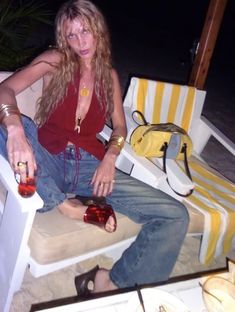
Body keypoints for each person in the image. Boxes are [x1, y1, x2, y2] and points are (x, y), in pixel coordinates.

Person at [0, 0, 189, 295]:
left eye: (85, 31)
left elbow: (121, 128)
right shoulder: (56, 60)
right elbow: (5, 89)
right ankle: (64, 205)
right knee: (15, 125)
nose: (80, 41)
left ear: (98, 30)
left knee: (175, 215)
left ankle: (110, 282)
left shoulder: (110, 77)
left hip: (91, 166)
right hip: (47, 157)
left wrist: (111, 156)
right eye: (71, 35)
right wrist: (13, 128)